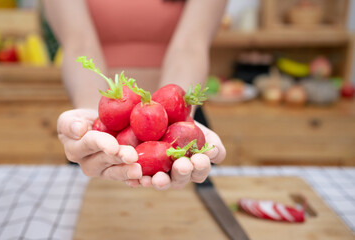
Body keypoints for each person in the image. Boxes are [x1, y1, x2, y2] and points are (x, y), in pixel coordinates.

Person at [44, 0, 227, 190]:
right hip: (105, 125)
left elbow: (190, 46)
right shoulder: (99, 130)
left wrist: (172, 119)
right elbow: (79, 44)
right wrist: (95, 128)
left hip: (179, 126)